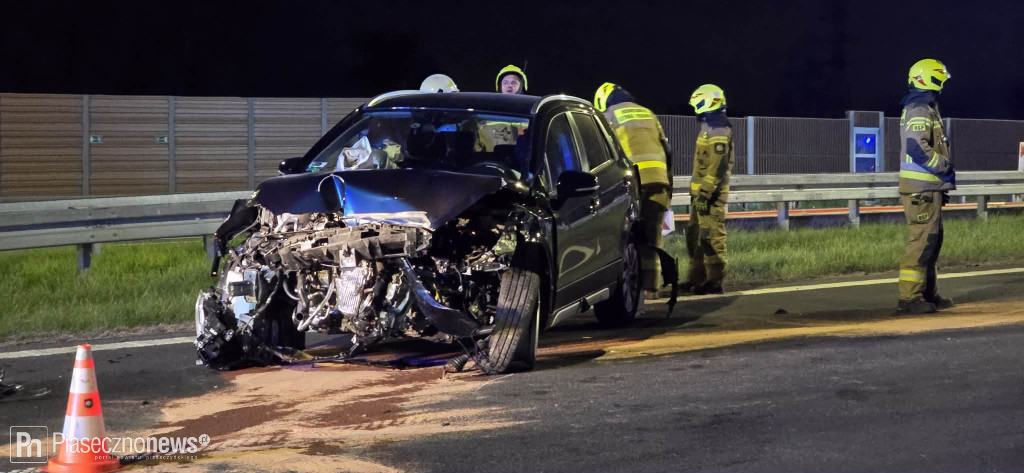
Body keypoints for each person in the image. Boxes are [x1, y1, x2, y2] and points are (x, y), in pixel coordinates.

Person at [593, 82, 672, 294]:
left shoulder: (608, 116)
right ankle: (651, 289)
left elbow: (602, 154)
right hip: (659, 182)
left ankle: (629, 293)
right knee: (652, 237)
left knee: (627, 238)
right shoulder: (649, 114)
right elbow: (667, 150)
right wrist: (669, 186)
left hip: (632, 185)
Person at [896, 59, 955, 314]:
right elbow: (916, 147)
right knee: (921, 242)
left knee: (931, 241)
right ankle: (909, 298)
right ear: (928, 79)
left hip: (928, 189)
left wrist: (941, 186)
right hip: (920, 190)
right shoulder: (919, 108)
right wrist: (943, 166)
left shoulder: (927, 107)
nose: (942, 84)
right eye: (939, 78)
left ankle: (928, 294)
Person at [683, 84, 733, 295]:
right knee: (695, 236)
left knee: (711, 236)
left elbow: (717, 165)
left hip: (710, 195)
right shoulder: (708, 127)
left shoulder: (719, 128)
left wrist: (705, 193)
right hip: (700, 195)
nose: (696, 110)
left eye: (698, 105)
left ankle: (714, 281)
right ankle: (697, 279)